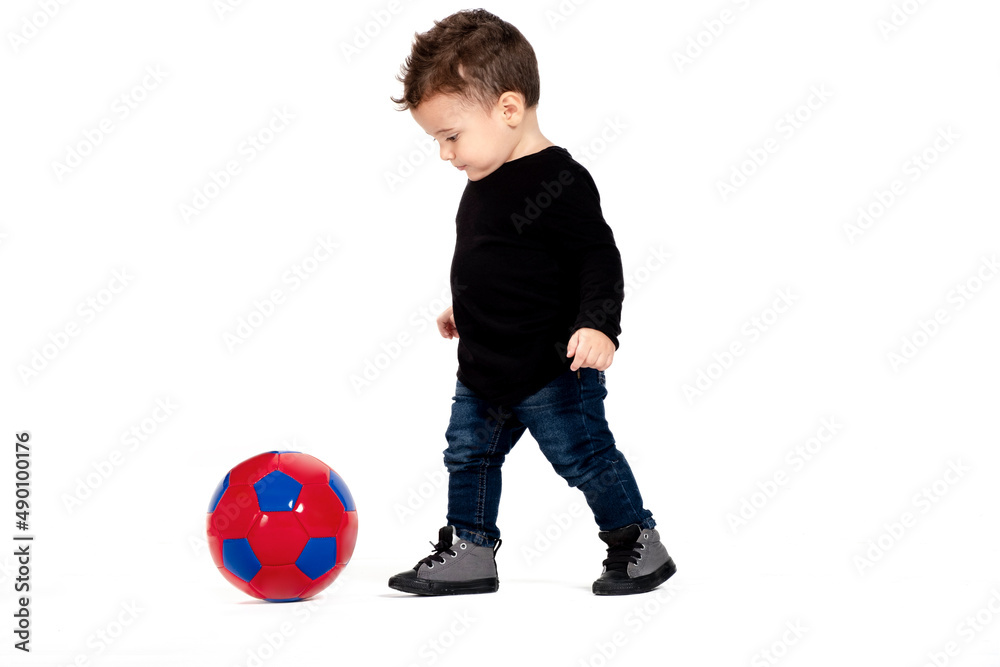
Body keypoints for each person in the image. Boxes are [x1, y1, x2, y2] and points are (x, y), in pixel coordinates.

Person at [386, 8, 675, 596]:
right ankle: (470, 548)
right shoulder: (483, 177)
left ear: (509, 109)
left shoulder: (561, 181)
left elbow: (598, 258)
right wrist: (462, 304)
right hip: (487, 363)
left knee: (585, 457)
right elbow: (497, 258)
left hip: (551, 368)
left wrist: (600, 327)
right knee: (466, 455)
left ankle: (637, 543)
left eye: (450, 136)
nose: (445, 154)